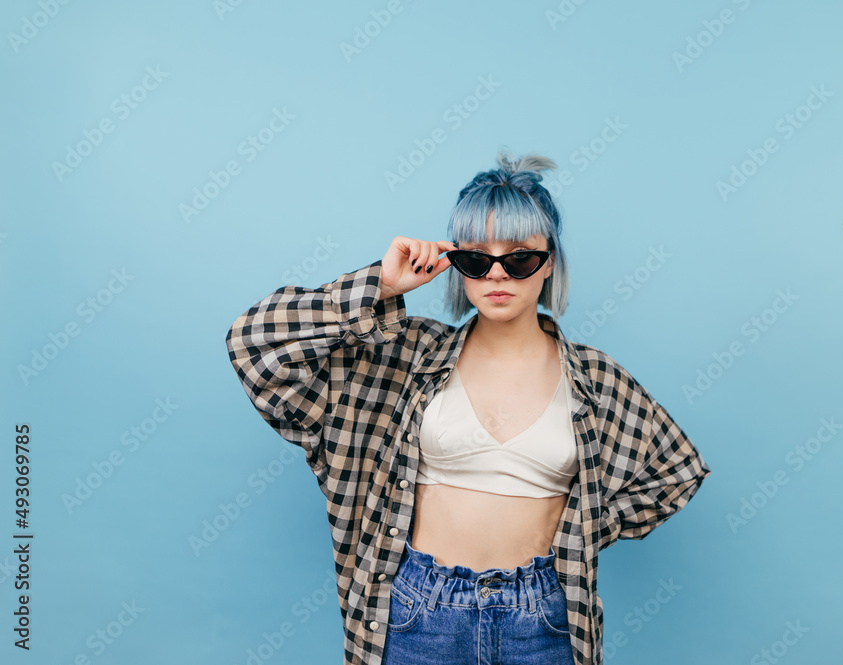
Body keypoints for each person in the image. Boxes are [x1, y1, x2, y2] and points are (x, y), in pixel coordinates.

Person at [225, 149, 711, 665]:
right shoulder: (404, 355)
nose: (498, 274)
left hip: (544, 617)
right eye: (477, 259)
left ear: (550, 263)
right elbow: (254, 345)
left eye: (520, 257)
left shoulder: (594, 379)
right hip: (419, 611)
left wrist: (583, 528)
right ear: (457, 266)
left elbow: (676, 473)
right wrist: (382, 286)